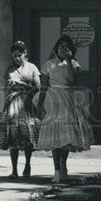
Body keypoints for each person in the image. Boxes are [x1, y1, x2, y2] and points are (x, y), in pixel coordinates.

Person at [36, 34, 94, 183]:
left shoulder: (74, 64)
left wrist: (68, 59)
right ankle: (56, 171)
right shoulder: (48, 64)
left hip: (67, 99)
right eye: (60, 46)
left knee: (66, 135)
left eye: (66, 47)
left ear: (71, 50)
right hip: (52, 99)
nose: (63, 49)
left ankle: (64, 167)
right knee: (55, 135)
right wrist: (40, 105)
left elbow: (71, 80)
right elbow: (43, 86)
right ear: (56, 48)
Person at [0, 41, 40, 178]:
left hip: (27, 104)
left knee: (27, 134)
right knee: (13, 135)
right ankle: (14, 170)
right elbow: (5, 88)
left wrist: (21, 84)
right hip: (13, 104)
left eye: (19, 55)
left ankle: (27, 165)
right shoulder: (10, 70)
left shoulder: (31, 67)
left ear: (25, 53)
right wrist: (10, 86)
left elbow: (38, 87)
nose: (17, 58)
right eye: (14, 56)